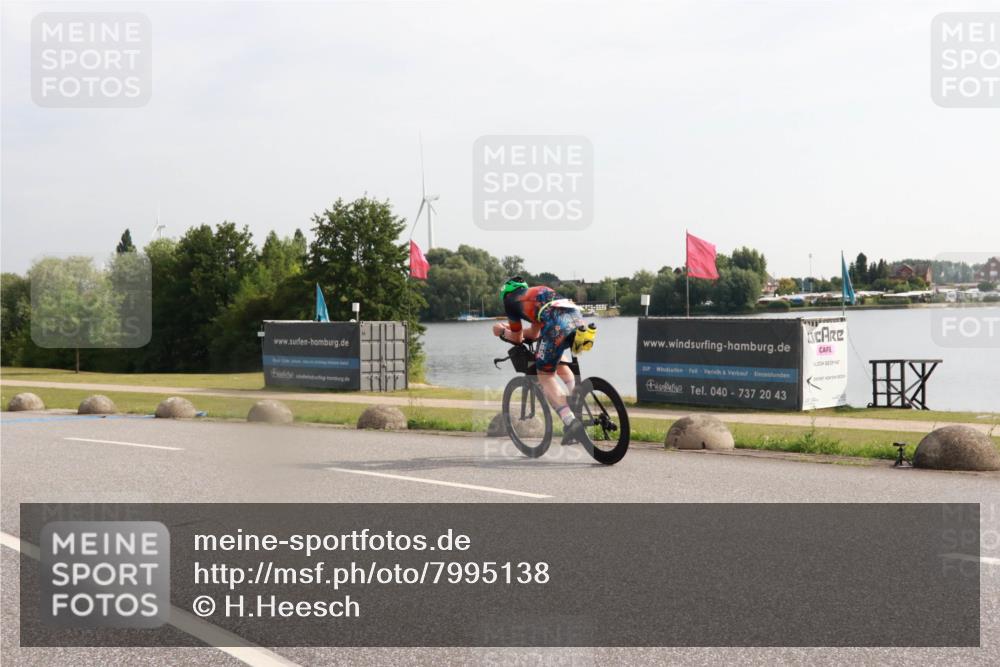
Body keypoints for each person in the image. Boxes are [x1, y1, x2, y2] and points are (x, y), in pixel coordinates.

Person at [493, 277, 597, 444]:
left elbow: (518, 338)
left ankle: (571, 422)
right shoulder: (538, 293)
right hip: (576, 317)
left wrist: (501, 331)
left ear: (506, 293)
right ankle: (577, 397)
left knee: (545, 375)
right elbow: (534, 334)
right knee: (557, 361)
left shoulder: (511, 301)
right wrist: (508, 328)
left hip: (556, 324)